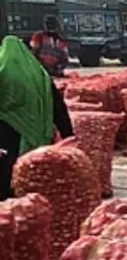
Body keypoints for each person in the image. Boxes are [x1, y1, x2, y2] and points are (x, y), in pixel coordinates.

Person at [0, 36, 74, 200]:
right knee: (33, 172)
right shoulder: (39, 75)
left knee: (6, 173)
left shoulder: (2, 70)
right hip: (37, 133)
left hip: (6, 131)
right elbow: (58, 107)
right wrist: (68, 134)